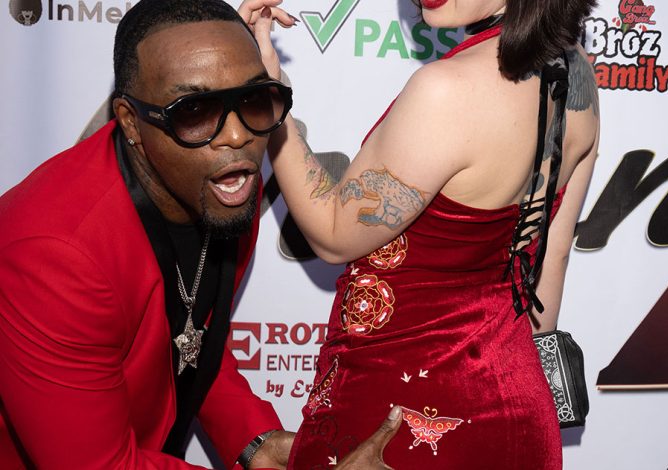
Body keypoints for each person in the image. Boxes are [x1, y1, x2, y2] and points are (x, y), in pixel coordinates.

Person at [0, 0, 402, 468]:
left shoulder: (222, 185)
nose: (236, 136)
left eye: (253, 100)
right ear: (131, 122)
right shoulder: (53, 256)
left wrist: (253, 441)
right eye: (193, 110)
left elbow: (192, 336)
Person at [240, 0, 599, 467]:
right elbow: (551, 257)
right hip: (521, 410)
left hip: (404, 420)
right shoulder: (577, 72)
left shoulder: (447, 90)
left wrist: (271, 97)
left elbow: (331, 234)